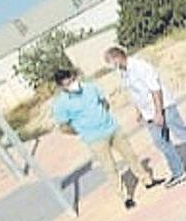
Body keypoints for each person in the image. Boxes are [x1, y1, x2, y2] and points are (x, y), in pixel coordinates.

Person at [51, 68, 162, 209]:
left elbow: (104, 102)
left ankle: (147, 180)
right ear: (62, 87)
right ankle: (125, 197)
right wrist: (80, 130)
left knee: (131, 156)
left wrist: (104, 116)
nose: (72, 84)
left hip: (112, 129)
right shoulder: (61, 104)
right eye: (68, 84)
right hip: (94, 138)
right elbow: (63, 127)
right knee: (110, 168)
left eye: (72, 80)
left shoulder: (90, 87)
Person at [105, 46, 186, 187]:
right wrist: (139, 111)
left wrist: (159, 112)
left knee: (182, 133)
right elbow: (134, 94)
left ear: (117, 57)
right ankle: (178, 171)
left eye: (110, 61)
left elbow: (155, 89)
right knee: (161, 142)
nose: (111, 65)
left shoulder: (140, 66)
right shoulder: (122, 73)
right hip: (148, 113)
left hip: (163, 107)